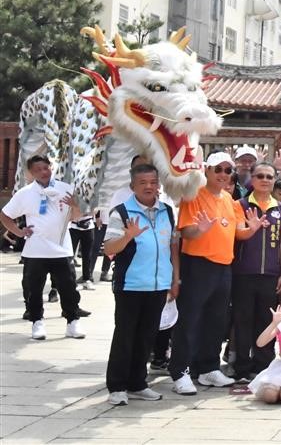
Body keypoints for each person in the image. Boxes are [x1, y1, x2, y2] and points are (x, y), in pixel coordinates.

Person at [168, 152, 265, 395]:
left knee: (217, 320)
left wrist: (252, 229)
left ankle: (208, 367)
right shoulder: (194, 195)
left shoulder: (230, 200)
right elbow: (187, 232)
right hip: (198, 264)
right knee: (190, 319)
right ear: (207, 171)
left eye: (227, 170)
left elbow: (238, 232)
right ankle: (180, 371)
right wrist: (198, 230)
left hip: (224, 266)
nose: (223, 174)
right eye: (218, 169)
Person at [102, 163, 178, 405]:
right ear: (132, 185)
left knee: (147, 337)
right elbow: (108, 248)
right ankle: (116, 386)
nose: (149, 187)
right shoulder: (122, 212)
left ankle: (137, 383)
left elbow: (171, 247)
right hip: (131, 285)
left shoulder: (167, 210)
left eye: (153, 182)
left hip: (158, 285)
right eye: (143, 183)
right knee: (125, 336)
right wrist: (127, 236)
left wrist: (174, 279)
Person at [1, 155, 84, 341]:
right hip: (36, 250)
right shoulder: (25, 193)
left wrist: (74, 206)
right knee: (34, 288)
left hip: (62, 249)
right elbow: (5, 215)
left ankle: (72, 321)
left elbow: (76, 217)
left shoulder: (65, 188)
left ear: (50, 167)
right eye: (37, 170)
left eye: (45, 168)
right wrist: (19, 232)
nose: (43, 173)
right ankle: (37, 321)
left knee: (68, 287)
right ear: (31, 173)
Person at [231, 162, 281, 382]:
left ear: (275, 179)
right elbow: (238, 235)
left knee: (266, 320)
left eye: (269, 176)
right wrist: (253, 228)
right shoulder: (241, 205)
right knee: (242, 320)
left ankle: (264, 366)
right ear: (252, 180)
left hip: (271, 275)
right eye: (260, 176)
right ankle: (241, 368)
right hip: (244, 273)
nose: (265, 180)